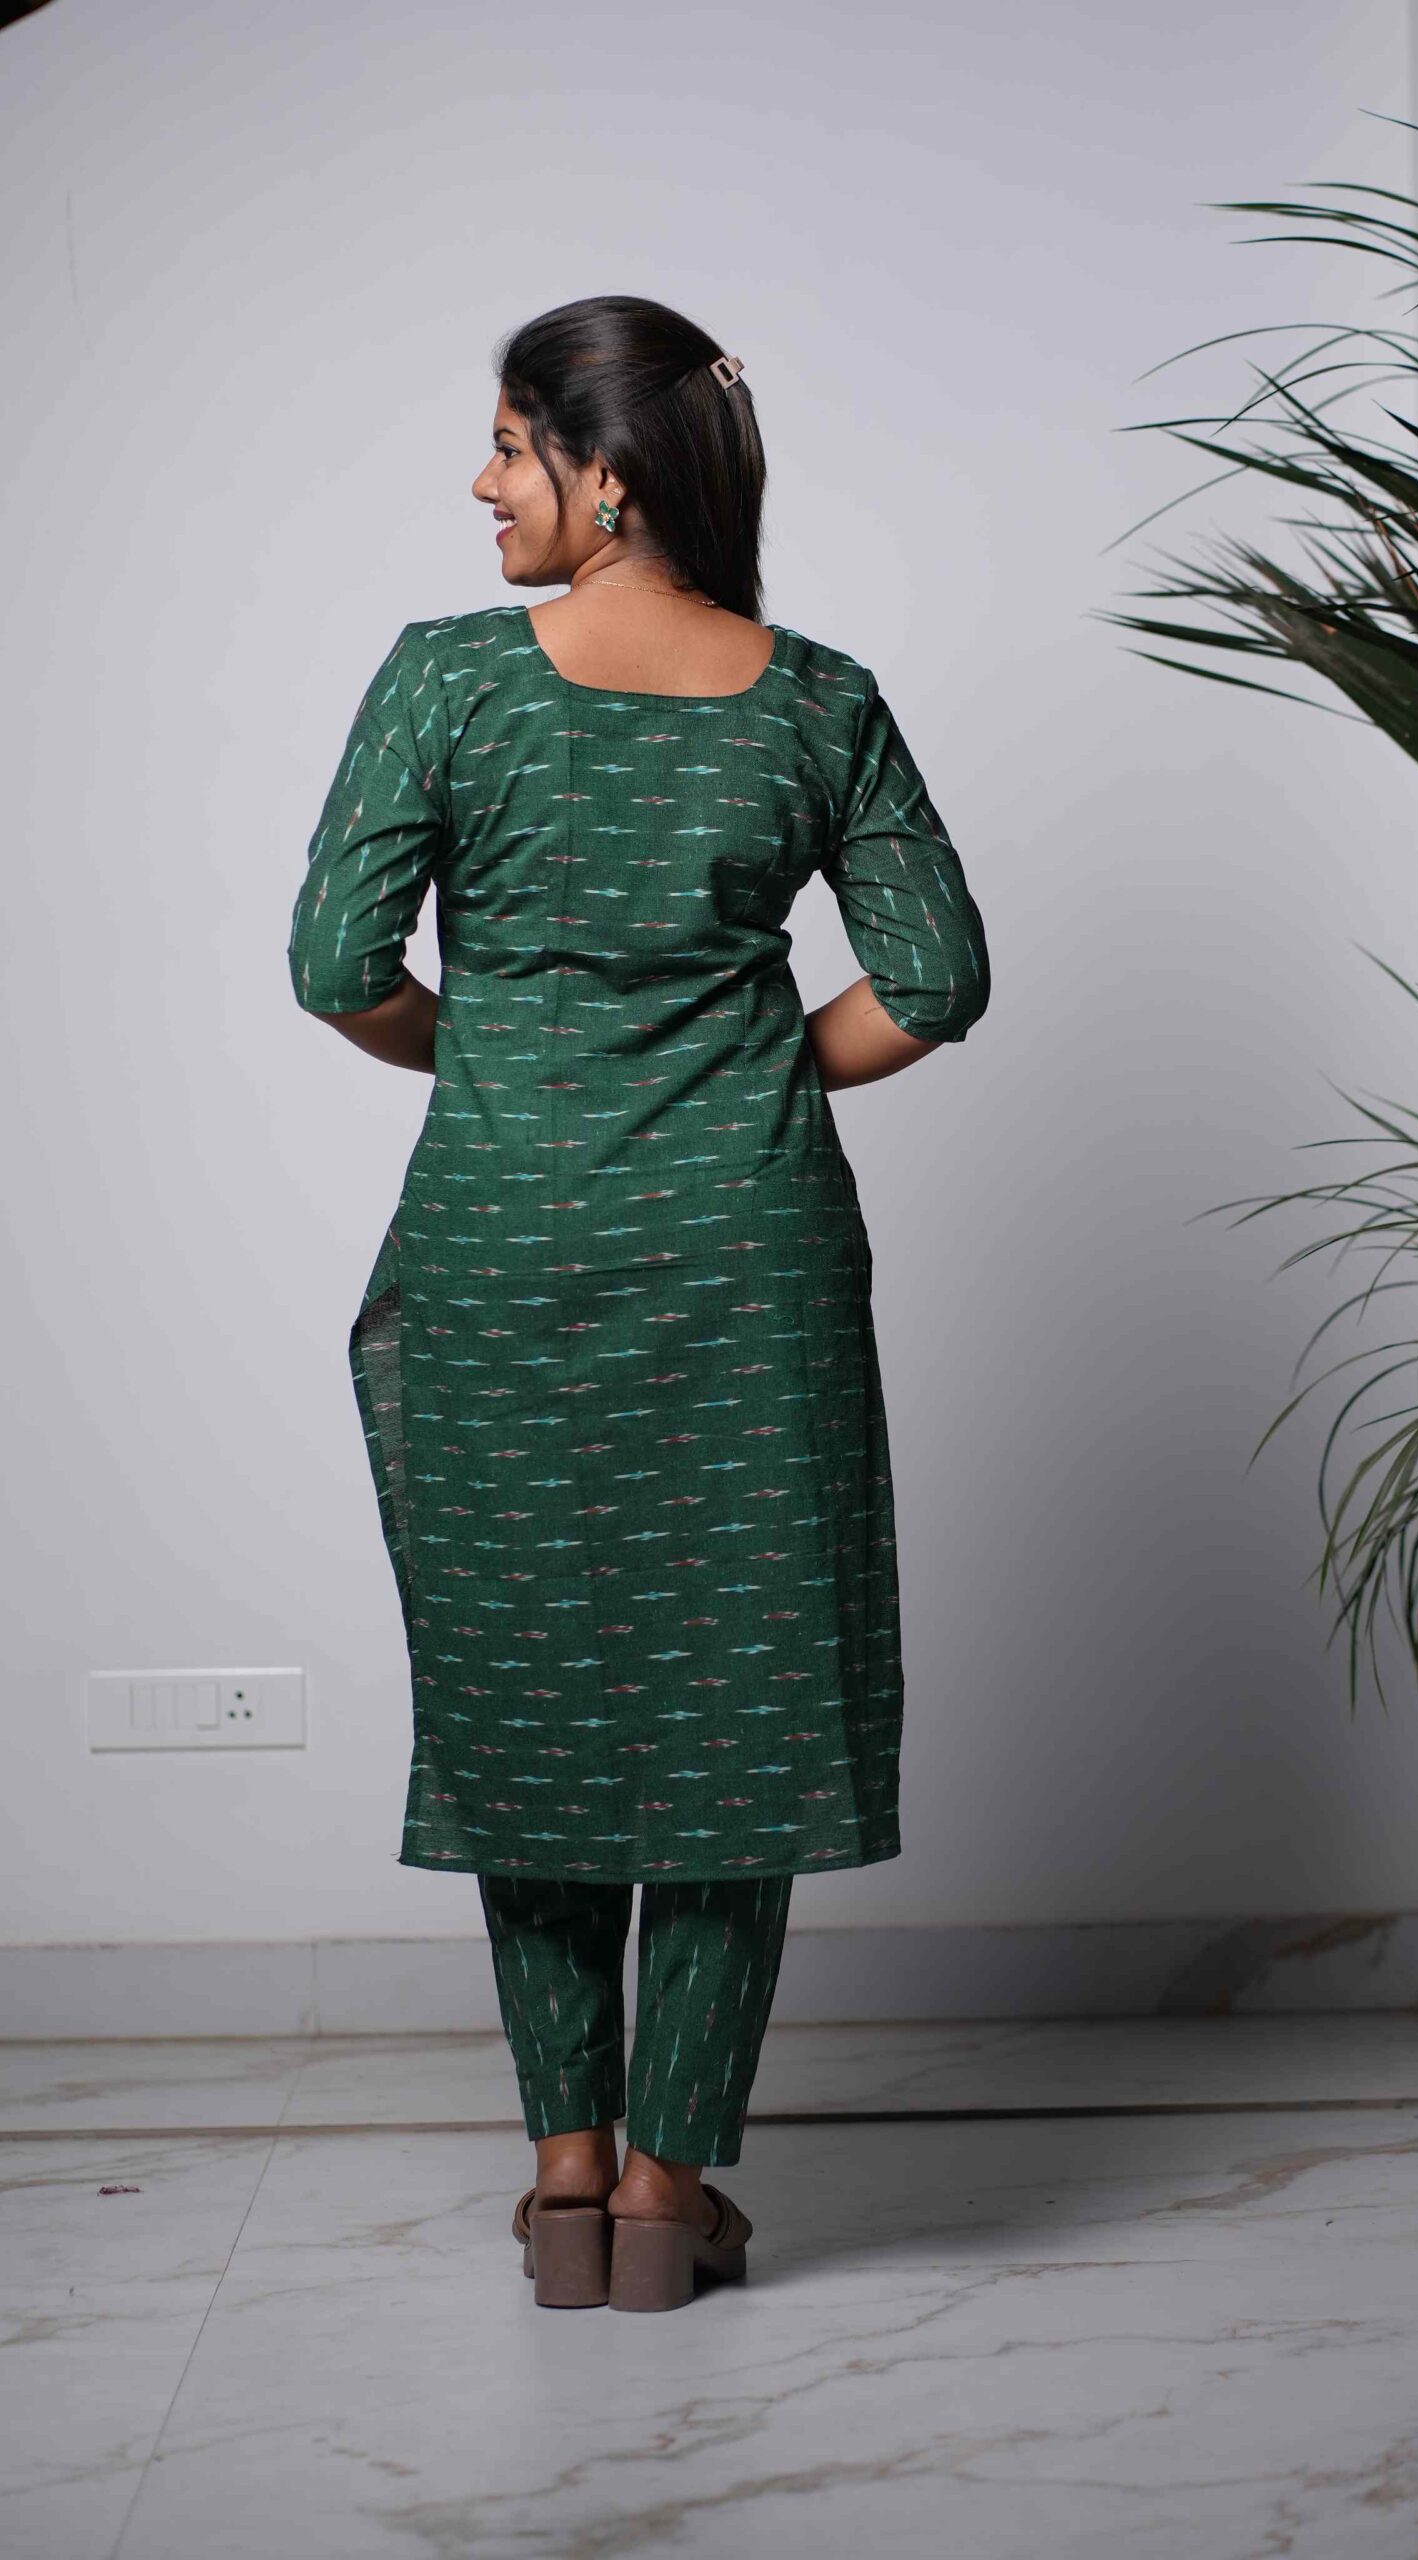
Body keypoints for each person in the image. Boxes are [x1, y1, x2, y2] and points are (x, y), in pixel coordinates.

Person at [287, 293, 992, 2312]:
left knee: (524, 1683)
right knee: (735, 1701)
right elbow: (933, 980)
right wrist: (743, 1070)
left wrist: (518, 1065)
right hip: (747, 1252)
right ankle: (674, 2187)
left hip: (504, 1242)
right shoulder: (819, 700)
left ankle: (567, 2182)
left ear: (606, 474)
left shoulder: (448, 682)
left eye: (511, 445)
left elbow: (336, 964)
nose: (483, 482)